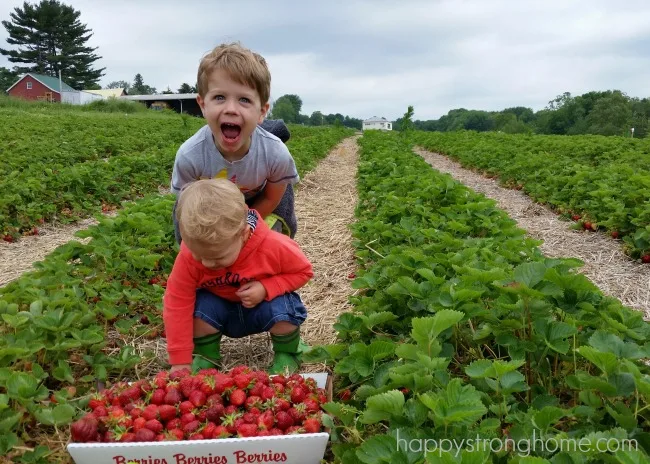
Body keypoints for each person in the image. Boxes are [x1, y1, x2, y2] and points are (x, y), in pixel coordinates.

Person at [162, 178, 312, 374]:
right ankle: (206, 356)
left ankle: (288, 353)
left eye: (217, 257)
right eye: (199, 256)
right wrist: (179, 360)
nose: (206, 263)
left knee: (284, 307)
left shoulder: (273, 246)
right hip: (221, 311)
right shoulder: (189, 257)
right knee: (197, 307)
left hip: (262, 307)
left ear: (243, 234)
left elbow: (304, 271)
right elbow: (177, 301)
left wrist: (266, 287)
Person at [170, 42, 299, 243]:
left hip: (260, 200)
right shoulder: (190, 156)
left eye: (244, 100)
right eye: (219, 97)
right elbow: (187, 208)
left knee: (269, 240)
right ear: (203, 105)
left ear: (262, 112)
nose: (231, 108)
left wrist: (249, 220)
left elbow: (272, 197)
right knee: (195, 237)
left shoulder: (275, 153)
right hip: (209, 205)